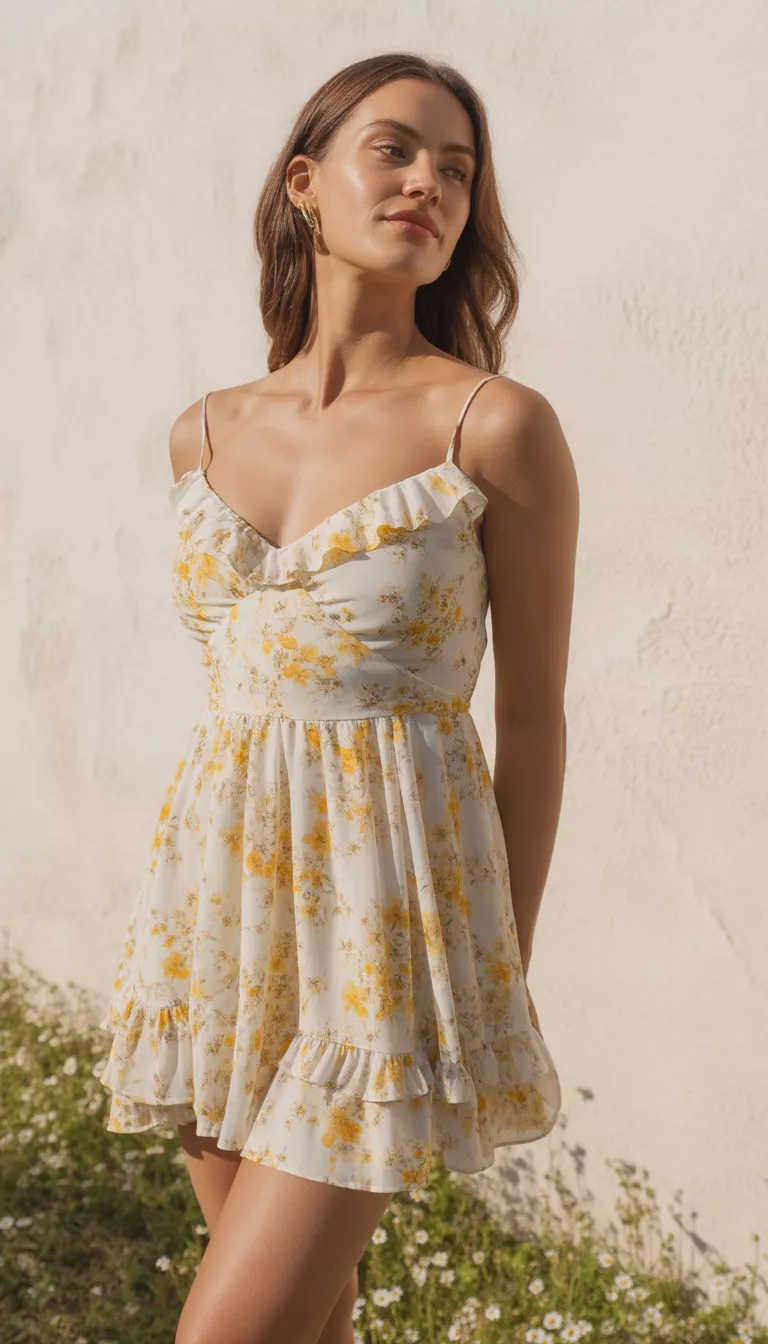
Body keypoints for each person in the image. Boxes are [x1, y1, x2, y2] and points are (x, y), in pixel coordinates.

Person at [95, 51, 579, 1344]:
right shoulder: (204, 431)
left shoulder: (494, 427)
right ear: (305, 183)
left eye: (458, 171)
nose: (430, 184)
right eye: (397, 151)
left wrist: (496, 966)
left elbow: (534, 719)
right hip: (218, 931)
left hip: (390, 946)